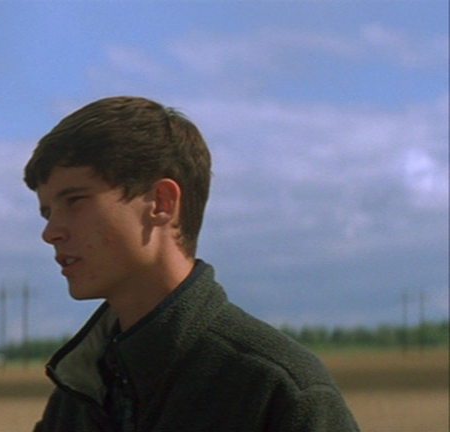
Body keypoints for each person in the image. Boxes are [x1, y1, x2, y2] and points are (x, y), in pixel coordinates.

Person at [23, 96, 359, 431]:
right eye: (47, 212)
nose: (50, 233)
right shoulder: (79, 396)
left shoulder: (275, 390)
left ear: (161, 202)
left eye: (75, 201)